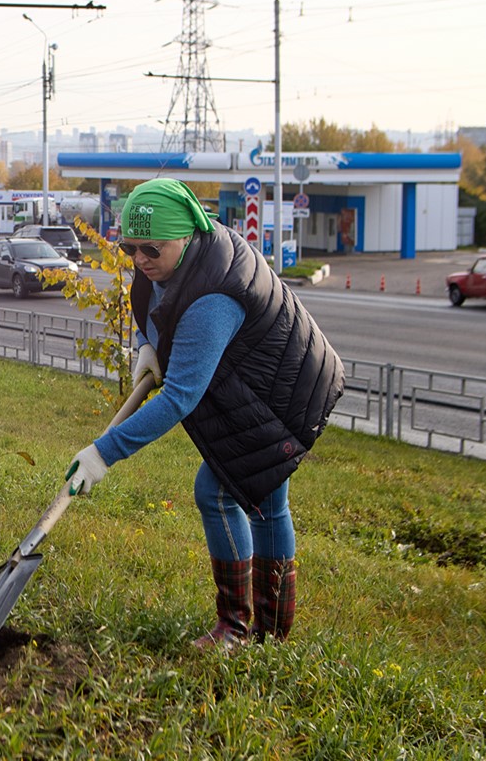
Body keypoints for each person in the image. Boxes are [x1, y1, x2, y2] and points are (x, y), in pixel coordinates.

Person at [65, 178, 344, 648]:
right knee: (257, 498)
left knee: (230, 494)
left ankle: (246, 631)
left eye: (150, 249)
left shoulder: (214, 299)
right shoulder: (169, 261)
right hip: (249, 384)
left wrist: (103, 454)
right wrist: (147, 344)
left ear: (186, 235)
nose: (139, 259)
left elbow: (178, 398)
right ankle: (257, 633)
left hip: (284, 397)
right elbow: (151, 305)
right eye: (128, 247)